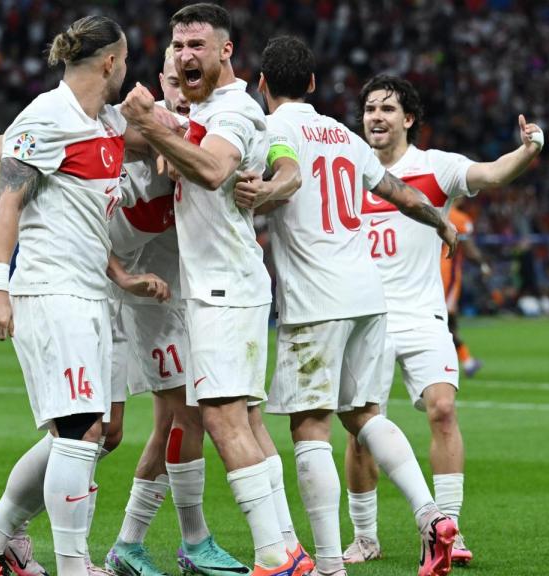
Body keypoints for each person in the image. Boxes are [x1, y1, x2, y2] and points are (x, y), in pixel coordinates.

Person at [234, 37, 462, 576]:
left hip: (317, 299)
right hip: (368, 297)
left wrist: (264, 194)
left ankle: (331, 566)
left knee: (309, 427)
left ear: (262, 85)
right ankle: (432, 515)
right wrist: (443, 223)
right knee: (362, 415)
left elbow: (287, 176)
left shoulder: (274, 130)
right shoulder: (341, 132)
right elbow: (403, 194)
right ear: (312, 84)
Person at [0, 15, 172, 576]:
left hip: (92, 294)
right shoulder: (44, 119)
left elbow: (80, 213)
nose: (128, 71)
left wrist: (121, 275)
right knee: (80, 430)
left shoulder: (101, 124)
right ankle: (75, 566)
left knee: (95, 434)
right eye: (125, 61)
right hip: (51, 293)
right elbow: (9, 203)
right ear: (109, 62)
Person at [121, 6, 308, 576]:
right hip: (222, 288)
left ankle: (276, 557)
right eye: (178, 46)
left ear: (227, 51)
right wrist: (165, 124)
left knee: (223, 419)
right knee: (245, 421)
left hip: (224, 288)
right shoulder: (204, 109)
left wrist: (153, 124)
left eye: (197, 45)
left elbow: (211, 169)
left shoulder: (234, 109)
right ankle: (289, 548)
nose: (185, 56)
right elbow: (179, 156)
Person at [343, 74, 543, 567]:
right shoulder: (348, 169)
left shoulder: (435, 168)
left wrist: (529, 148)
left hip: (423, 314)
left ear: (408, 119)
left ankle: (447, 528)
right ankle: (365, 536)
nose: (376, 117)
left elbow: (493, 174)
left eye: (387, 109)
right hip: (364, 317)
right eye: (370, 108)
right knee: (362, 429)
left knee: (443, 410)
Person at [103, 49, 252, 576]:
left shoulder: (205, 129)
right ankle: (193, 541)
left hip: (184, 293)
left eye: (184, 82)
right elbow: (146, 144)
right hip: (147, 297)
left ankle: (129, 544)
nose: (177, 90)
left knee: (171, 419)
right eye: (168, 79)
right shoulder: (136, 131)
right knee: (185, 416)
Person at [442, 202, 490, 378]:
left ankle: (467, 360)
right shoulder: (458, 218)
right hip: (447, 276)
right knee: (446, 322)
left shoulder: (432, 210)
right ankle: (461, 363)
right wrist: (483, 264)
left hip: (428, 275)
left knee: (445, 322)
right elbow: (468, 248)